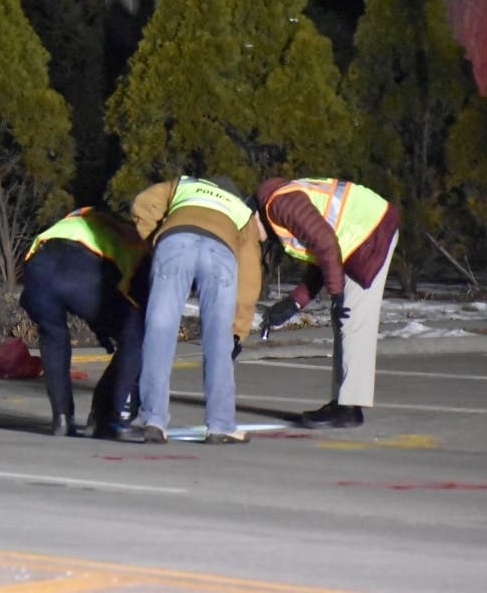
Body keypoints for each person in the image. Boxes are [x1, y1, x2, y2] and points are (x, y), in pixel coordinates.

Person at [125, 176, 264, 445]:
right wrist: (239, 329)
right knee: (218, 340)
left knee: (159, 330)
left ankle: (153, 419)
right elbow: (249, 276)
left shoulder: (182, 185)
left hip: (175, 241)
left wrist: (155, 242)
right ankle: (220, 425)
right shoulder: (241, 212)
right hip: (221, 251)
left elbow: (143, 204)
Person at [256, 177, 399, 429]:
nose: (254, 240)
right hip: (362, 232)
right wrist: (293, 304)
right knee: (345, 320)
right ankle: (343, 403)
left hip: (369, 232)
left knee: (351, 320)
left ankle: (348, 409)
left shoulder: (280, 204)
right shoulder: (279, 204)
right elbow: (321, 259)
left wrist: (336, 293)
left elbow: (326, 243)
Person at [20, 207, 149, 438]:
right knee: (136, 337)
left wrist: (102, 329)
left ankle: (62, 418)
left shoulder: (78, 218)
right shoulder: (135, 241)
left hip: (37, 268)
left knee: (54, 339)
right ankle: (112, 417)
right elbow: (131, 300)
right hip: (79, 269)